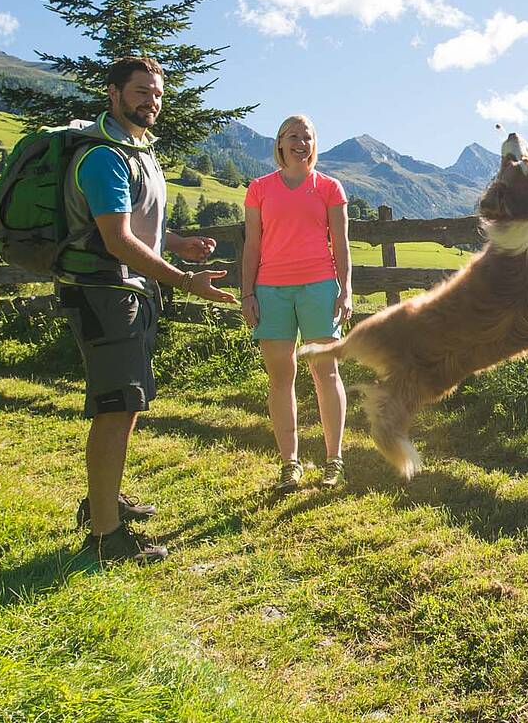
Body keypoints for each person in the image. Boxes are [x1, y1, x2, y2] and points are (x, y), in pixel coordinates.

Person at [62, 56, 235, 563]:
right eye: (141, 92)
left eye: (157, 94)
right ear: (112, 92)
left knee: (127, 401)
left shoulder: (138, 150)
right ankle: (105, 537)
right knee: (115, 406)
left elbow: (134, 225)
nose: (151, 101)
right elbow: (116, 240)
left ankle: (102, 503)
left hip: (128, 292)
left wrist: (175, 242)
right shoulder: (104, 157)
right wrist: (185, 281)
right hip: (105, 291)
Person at [242, 114, 354, 490]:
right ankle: (290, 464)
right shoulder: (259, 188)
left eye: (306, 137)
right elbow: (252, 245)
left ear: (313, 144)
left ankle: (333, 459)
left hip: (320, 287)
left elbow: (340, 243)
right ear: (280, 143)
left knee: (326, 373)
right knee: (280, 377)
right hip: (271, 290)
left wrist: (346, 288)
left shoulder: (329, 188)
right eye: (293, 136)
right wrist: (247, 293)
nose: (300, 143)